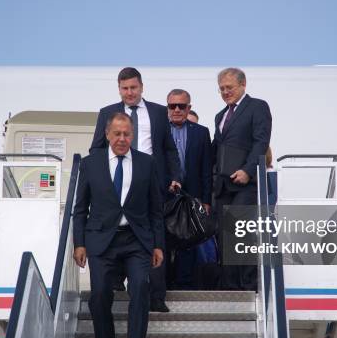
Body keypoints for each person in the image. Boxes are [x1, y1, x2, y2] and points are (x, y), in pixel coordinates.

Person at [73, 113, 164, 338]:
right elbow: (80, 209)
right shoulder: (91, 164)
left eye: (127, 134)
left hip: (137, 241)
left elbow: (156, 209)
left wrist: (158, 245)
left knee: (140, 290)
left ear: (132, 135)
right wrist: (79, 243)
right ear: (107, 134)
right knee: (100, 296)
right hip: (102, 242)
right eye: (117, 134)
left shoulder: (147, 163)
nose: (122, 139)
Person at [90, 67, 180, 312]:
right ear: (119, 89)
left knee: (154, 238)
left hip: (149, 185)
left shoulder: (160, 113)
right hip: (117, 184)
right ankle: (118, 286)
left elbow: (169, 149)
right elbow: (96, 149)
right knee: (119, 234)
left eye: (133, 87)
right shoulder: (107, 113)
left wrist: (175, 176)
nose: (129, 93)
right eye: (124, 88)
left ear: (142, 87)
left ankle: (157, 297)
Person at [212, 67, 272, 290]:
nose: (226, 92)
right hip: (223, 185)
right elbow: (217, 147)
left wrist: (248, 170)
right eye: (222, 89)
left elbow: (260, 142)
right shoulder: (220, 115)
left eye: (230, 87)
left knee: (242, 233)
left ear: (243, 84)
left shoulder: (257, 107)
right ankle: (229, 287)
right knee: (225, 235)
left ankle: (247, 286)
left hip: (246, 183)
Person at [165, 89, 213, 288]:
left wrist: (206, 200)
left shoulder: (201, 132)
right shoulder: (158, 131)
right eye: (172, 106)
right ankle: (164, 284)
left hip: (191, 197)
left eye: (181, 106)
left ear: (189, 108)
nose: (176, 109)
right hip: (164, 195)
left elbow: (206, 169)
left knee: (188, 241)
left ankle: (184, 284)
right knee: (163, 241)